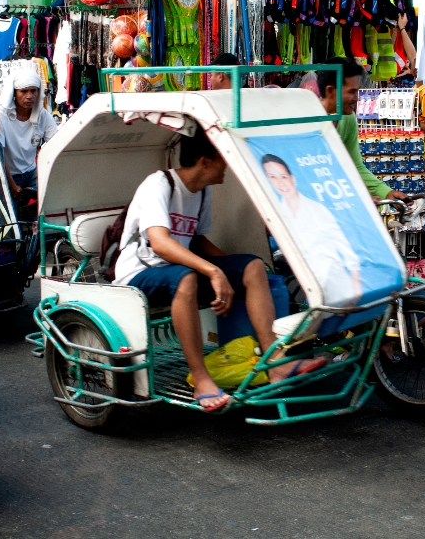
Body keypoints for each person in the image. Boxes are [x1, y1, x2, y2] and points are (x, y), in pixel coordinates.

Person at [113, 124, 326, 412]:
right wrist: (214, 272)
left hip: (177, 269)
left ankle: (274, 362)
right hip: (139, 273)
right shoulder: (159, 184)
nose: (228, 166)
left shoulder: (202, 192)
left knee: (251, 266)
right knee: (186, 278)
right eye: (223, 158)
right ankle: (201, 378)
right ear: (205, 161)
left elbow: (196, 240)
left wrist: (228, 271)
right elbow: (161, 243)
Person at [261, 154, 362, 307]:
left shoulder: (317, 208)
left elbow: (342, 243)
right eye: (272, 177)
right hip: (306, 279)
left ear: (292, 178)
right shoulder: (276, 212)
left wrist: (355, 278)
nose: (280, 183)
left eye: (283, 176)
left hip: (333, 278)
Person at [316, 57, 409, 203]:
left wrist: (386, 192)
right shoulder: (308, 121)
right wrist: (356, 198)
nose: (357, 98)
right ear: (330, 91)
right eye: (352, 92)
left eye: (358, 91)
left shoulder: (348, 118)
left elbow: (355, 165)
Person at [0, 69, 57, 197]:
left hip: (31, 171)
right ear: (14, 93)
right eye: (24, 91)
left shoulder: (43, 115)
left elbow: (56, 144)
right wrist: (12, 185)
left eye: (33, 91)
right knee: (12, 214)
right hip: (8, 174)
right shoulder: (0, 115)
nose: (29, 96)